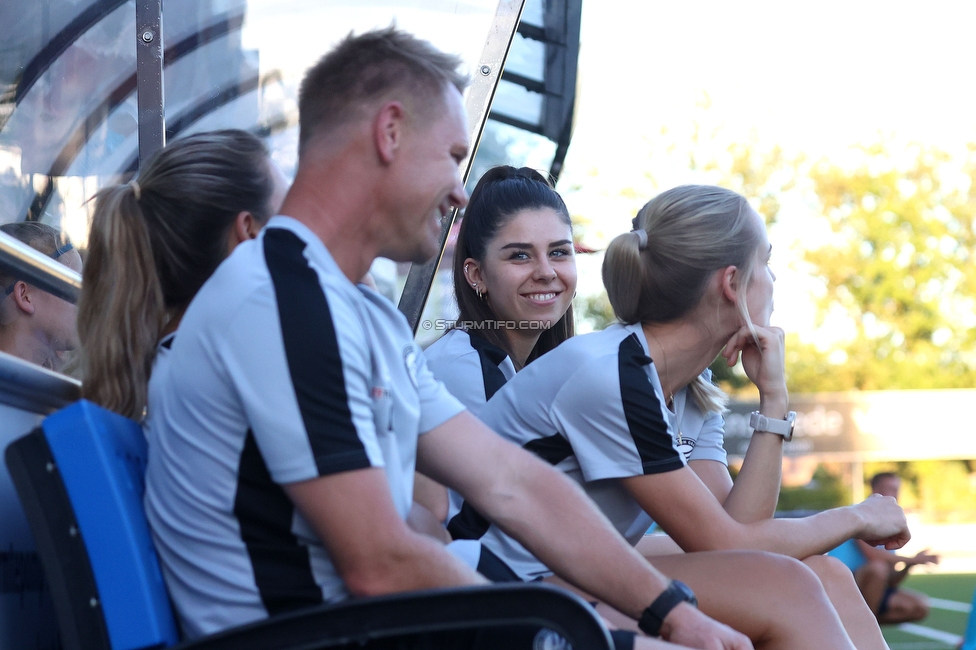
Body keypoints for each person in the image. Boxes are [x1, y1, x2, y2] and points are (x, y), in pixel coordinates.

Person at [137, 26, 883, 650]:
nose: (462, 190)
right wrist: (573, 612)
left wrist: (674, 612)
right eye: (455, 157)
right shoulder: (279, 300)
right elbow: (379, 563)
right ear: (390, 132)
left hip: (388, 623)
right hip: (340, 635)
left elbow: (510, 481)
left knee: (763, 602)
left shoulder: (349, 309)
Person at [468, 184, 912, 649]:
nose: (775, 280)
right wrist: (858, 516)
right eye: (766, 263)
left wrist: (774, 399)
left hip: (559, 570)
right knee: (790, 589)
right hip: (489, 586)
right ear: (732, 283)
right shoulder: (609, 377)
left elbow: (742, 534)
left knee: (821, 572)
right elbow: (728, 546)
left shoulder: (690, 391)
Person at [77, 129, 288, 421]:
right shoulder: (237, 370)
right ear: (249, 232)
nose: (301, 232)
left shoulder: (175, 362)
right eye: (288, 215)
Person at [421, 165, 576, 535]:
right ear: (475, 275)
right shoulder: (460, 368)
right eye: (520, 256)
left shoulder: (542, 366)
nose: (546, 272)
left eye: (558, 252)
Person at [849, 472, 938, 624]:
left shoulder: (890, 525)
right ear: (874, 490)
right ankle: (865, 630)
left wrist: (909, 565)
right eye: (889, 488)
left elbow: (890, 580)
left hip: (870, 591)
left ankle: (860, 625)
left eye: (896, 489)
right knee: (878, 568)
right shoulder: (859, 514)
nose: (894, 494)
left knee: (920, 606)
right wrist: (911, 558)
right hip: (846, 587)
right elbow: (874, 557)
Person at [0, 221, 82, 372]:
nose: (83, 300)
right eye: (73, 287)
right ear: (25, 295)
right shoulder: (29, 390)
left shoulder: (48, 388)